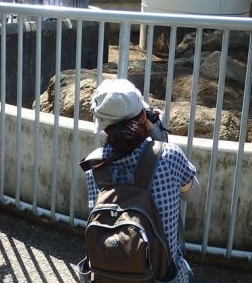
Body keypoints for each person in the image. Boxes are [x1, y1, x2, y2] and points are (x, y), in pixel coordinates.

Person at [84, 79, 198, 282]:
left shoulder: (94, 165)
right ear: (144, 115)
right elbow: (192, 194)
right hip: (163, 276)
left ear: (104, 128)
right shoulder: (169, 155)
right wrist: (158, 137)